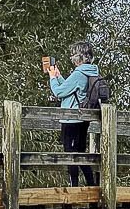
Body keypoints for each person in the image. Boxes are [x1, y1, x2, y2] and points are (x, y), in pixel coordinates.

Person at [42, 41, 101, 187]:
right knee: (81, 153)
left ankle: (74, 186)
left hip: (71, 119)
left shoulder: (79, 74)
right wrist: (58, 76)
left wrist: (52, 77)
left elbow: (59, 92)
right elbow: (70, 89)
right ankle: (91, 184)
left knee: (70, 154)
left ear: (78, 57)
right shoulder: (91, 71)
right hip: (83, 118)